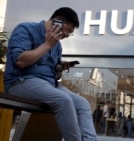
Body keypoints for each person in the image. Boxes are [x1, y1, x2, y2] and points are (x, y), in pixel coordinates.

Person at [4, 7, 97, 141]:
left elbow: (55, 75)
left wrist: (59, 69)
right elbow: (20, 62)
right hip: (21, 82)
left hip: (49, 85)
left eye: (70, 33)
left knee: (83, 104)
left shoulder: (57, 45)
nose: (66, 35)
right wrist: (47, 44)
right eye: (67, 30)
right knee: (63, 100)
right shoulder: (26, 29)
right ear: (57, 21)